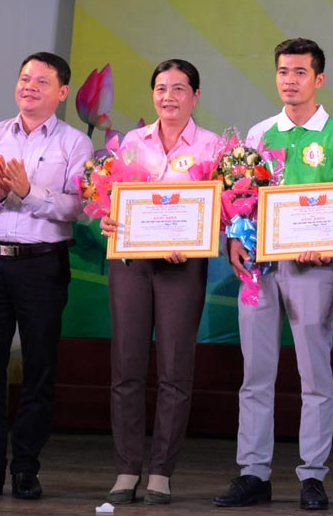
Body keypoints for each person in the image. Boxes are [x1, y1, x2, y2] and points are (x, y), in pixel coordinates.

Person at [217, 38, 333, 511]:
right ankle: (253, 473)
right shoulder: (259, 135)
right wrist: (235, 238)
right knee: (255, 375)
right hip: (259, 267)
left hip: (313, 269)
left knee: (314, 376)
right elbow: (240, 199)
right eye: (283, 71)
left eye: (300, 72)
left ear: (319, 79)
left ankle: (312, 476)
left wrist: (330, 245)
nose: (290, 80)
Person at [0, 52, 94, 499]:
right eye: (24, 78)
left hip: (42, 264)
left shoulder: (75, 143)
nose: (29, 86)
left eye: (41, 81)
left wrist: (29, 192)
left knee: (39, 367)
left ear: (62, 92)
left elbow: (79, 207)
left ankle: (26, 469)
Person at [98, 60, 221, 504]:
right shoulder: (132, 143)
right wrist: (108, 217)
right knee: (126, 367)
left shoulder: (213, 147)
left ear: (196, 95)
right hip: (132, 263)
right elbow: (112, 197)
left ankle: (161, 472)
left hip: (182, 267)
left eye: (179, 88)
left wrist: (192, 237)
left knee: (174, 370)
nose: (168, 96)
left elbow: (224, 210)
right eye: (161, 88)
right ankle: (127, 468)